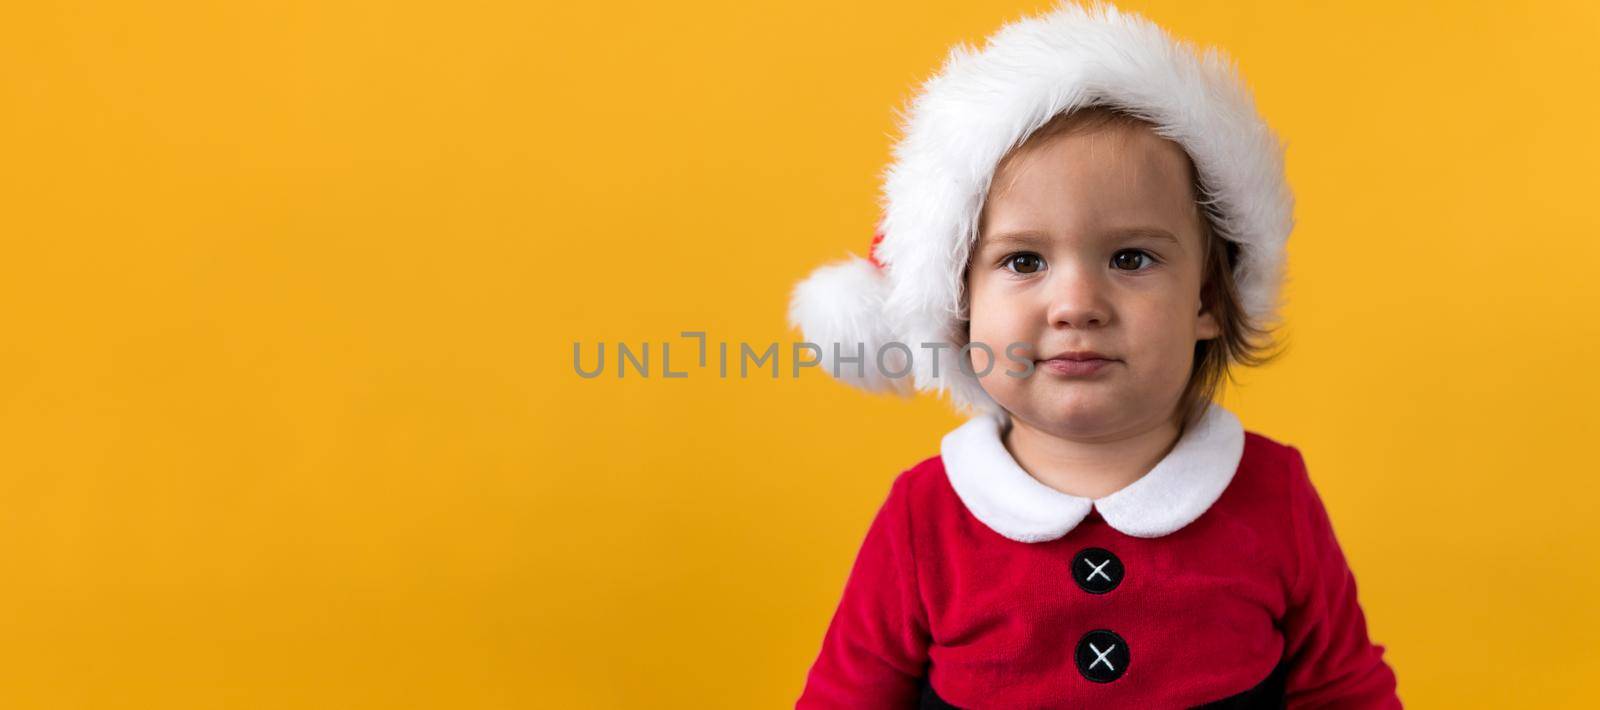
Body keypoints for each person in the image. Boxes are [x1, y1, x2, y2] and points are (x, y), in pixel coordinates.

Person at [786, 2, 1401, 707]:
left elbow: (1346, 690)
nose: (1076, 303)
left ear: (1206, 300)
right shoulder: (925, 518)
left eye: (1131, 257)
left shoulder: (1272, 495)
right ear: (958, 309)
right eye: (1023, 262)